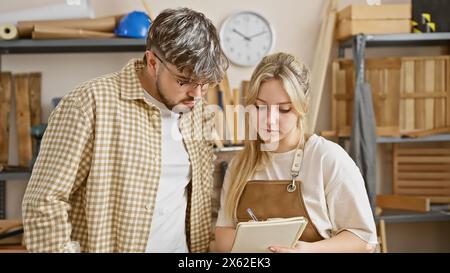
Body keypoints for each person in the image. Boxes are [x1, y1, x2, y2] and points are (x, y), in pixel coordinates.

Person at [22, 7, 228, 253]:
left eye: (204, 84)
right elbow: (43, 202)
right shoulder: (89, 104)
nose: (196, 94)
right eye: (184, 81)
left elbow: (199, 201)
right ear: (152, 62)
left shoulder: (200, 112)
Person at [214, 52, 378, 253]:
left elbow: (363, 240)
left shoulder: (327, 159)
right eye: (260, 107)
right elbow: (223, 237)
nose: (269, 120)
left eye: (283, 109)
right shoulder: (240, 164)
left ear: (303, 108)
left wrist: (308, 251)